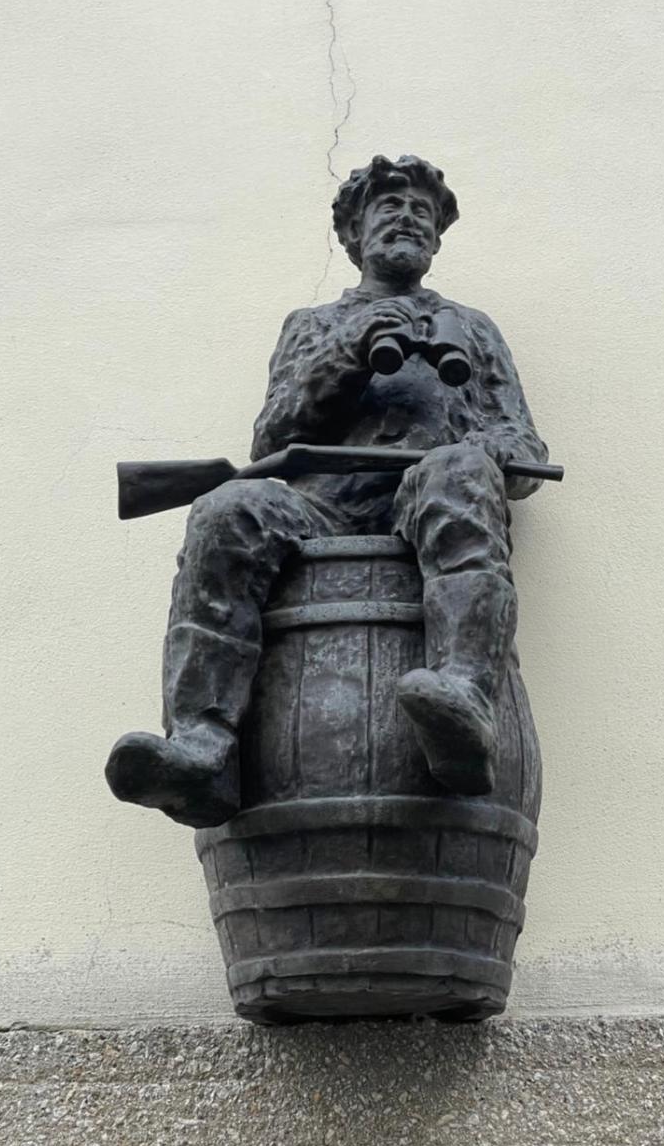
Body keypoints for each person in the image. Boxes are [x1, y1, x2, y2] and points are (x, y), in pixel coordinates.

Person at [106, 154, 548, 827]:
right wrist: (350, 352)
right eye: (390, 209)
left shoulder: (473, 329)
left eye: (422, 214)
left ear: (437, 239)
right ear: (353, 234)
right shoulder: (311, 325)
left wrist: (483, 451)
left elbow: (523, 448)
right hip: (322, 504)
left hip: (426, 493)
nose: (407, 221)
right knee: (226, 509)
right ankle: (203, 746)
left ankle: (465, 700)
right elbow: (273, 436)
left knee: (458, 470)